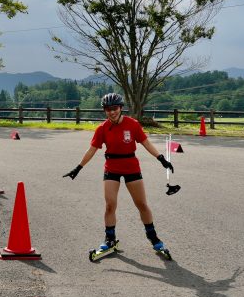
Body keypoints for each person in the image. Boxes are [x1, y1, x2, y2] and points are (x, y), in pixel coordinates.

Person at [63, 92, 176, 261]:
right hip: (112, 168)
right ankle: (110, 239)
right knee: (110, 205)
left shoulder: (133, 124)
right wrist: (78, 167)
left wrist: (161, 159)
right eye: (108, 109)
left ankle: (153, 238)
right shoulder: (102, 129)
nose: (111, 112)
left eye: (114, 108)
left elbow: (145, 142)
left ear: (121, 108)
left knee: (142, 204)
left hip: (131, 166)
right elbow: (92, 149)